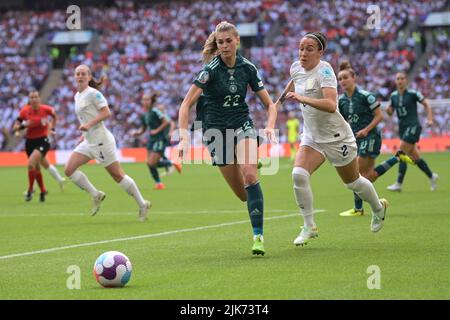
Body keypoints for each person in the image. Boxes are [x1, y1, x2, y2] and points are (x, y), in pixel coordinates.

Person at [276, 32, 388, 246]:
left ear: (320, 52)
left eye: (309, 49)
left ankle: (378, 208)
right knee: (299, 174)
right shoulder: (296, 67)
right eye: (301, 48)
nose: (303, 53)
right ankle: (309, 226)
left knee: (353, 182)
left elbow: (330, 105)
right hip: (312, 136)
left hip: (337, 137)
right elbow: (293, 82)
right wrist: (277, 103)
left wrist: (301, 98)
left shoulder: (325, 71)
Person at [178, 21, 277, 256]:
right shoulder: (209, 71)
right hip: (215, 130)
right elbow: (185, 105)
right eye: (220, 42)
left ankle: (258, 237)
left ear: (237, 41)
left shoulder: (248, 68)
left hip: (241, 122)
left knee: (250, 175)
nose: (224, 46)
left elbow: (270, 105)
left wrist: (270, 126)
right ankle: (248, 158)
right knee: (243, 195)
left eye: (228, 41)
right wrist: (183, 138)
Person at [64, 64, 151, 221]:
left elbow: (106, 112)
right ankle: (96, 194)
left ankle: (142, 203)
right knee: (69, 169)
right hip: (89, 141)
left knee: (118, 176)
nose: (80, 76)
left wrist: (89, 125)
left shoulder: (94, 94)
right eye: (77, 73)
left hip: (101, 142)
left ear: (89, 77)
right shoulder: (78, 95)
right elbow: (86, 117)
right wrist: (84, 134)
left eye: (83, 73)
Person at [337, 61, 414, 217]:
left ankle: (359, 209)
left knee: (355, 174)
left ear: (353, 78)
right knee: (369, 176)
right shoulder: (341, 101)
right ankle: (397, 158)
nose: (342, 81)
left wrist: (365, 130)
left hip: (370, 136)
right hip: (355, 140)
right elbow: (343, 122)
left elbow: (380, 116)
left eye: (345, 77)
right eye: (340, 79)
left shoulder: (366, 96)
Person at [386, 72, 438, 192]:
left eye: (402, 78)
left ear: (406, 81)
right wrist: (388, 110)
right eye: (398, 78)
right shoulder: (393, 95)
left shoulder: (413, 93)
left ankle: (399, 183)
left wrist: (430, 119)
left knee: (401, 153)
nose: (400, 81)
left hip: (413, 126)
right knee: (415, 157)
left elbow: (427, 104)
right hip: (403, 128)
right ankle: (431, 176)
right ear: (395, 81)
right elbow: (390, 111)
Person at [13, 90, 62, 202]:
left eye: (36, 97)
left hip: (43, 141)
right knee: (36, 168)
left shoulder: (46, 109)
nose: (34, 99)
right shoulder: (25, 111)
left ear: (39, 98)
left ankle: (30, 191)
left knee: (31, 163)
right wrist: (20, 127)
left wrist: (52, 128)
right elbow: (16, 124)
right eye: (32, 97)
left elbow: (55, 117)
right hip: (29, 142)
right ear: (29, 100)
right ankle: (43, 190)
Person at [133, 94, 181, 189]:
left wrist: (157, 130)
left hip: (160, 139)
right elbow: (144, 128)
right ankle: (159, 182)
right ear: (141, 101)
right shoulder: (144, 115)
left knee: (151, 162)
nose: (145, 101)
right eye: (144, 100)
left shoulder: (155, 111)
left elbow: (167, 122)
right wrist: (138, 133)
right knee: (149, 163)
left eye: (147, 100)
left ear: (151, 101)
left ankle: (171, 164)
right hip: (151, 140)